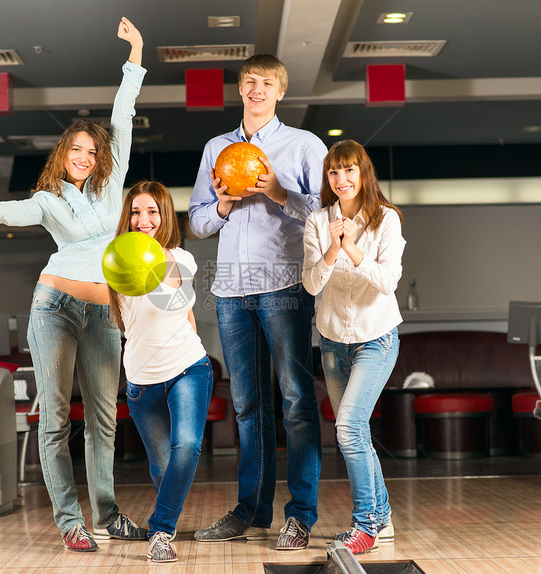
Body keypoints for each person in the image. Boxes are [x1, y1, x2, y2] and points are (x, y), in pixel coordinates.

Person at [0, 17, 147, 553]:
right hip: (55, 306)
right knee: (57, 415)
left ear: (100, 156)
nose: (83, 158)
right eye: (75, 151)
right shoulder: (48, 201)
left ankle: (107, 515)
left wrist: (135, 56)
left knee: (105, 417)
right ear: (62, 155)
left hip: (104, 311)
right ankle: (70, 520)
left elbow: (123, 116)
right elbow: (0, 210)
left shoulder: (113, 188)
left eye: (91, 151)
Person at [187, 54, 327, 551]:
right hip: (230, 289)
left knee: (295, 400)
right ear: (240, 89)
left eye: (267, 82)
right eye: (250, 82)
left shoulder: (303, 145)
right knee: (248, 405)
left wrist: (280, 192)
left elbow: (326, 212)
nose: (257, 89)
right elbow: (198, 221)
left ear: (281, 92)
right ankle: (252, 509)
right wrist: (223, 204)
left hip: (284, 286)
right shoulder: (216, 148)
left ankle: (301, 514)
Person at [302, 139, 406, 554]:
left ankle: (364, 525)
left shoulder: (386, 220)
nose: (341, 179)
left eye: (348, 170)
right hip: (331, 342)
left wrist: (352, 248)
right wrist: (332, 246)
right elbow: (311, 283)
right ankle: (382, 518)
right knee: (354, 430)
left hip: (376, 339)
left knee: (347, 428)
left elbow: (387, 282)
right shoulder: (317, 221)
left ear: (363, 174)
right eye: (333, 172)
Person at [108, 181, 213, 563]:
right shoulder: (115, 261)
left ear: (165, 215)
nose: (143, 219)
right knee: (163, 466)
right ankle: (166, 519)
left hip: (188, 367)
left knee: (186, 447)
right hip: (140, 381)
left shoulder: (180, 259)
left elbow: (179, 301)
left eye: (152, 211)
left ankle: (160, 530)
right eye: (136, 212)